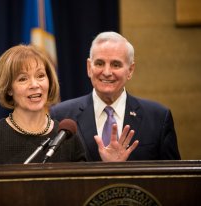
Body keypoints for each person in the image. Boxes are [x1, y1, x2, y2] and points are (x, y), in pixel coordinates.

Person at [0, 44, 138, 206]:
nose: (35, 85)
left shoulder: (67, 135)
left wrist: (110, 169)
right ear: (9, 89)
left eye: (40, 76)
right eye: (23, 79)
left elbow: (86, 197)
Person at [50, 31, 181, 161]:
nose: (107, 72)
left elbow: (174, 178)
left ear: (130, 70)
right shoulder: (61, 116)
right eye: (100, 63)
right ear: (89, 67)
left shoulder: (158, 118)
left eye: (116, 64)